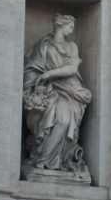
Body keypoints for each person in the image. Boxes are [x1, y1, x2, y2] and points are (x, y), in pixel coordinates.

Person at [23, 14, 93, 173]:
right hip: (49, 90)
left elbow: (72, 69)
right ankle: (43, 160)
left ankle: (55, 161)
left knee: (64, 121)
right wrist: (36, 83)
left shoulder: (72, 46)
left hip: (70, 89)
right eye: (70, 26)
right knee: (55, 122)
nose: (72, 29)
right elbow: (31, 68)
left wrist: (48, 74)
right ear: (61, 25)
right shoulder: (43, 46)